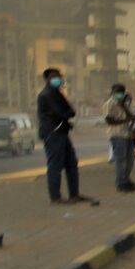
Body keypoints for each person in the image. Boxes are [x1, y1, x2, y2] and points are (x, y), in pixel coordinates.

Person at [37, 68, 93, 205]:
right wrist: (65, 114)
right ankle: (55, 198)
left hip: (61, 132)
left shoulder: (57, 93)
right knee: (55, 165)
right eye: (54, 76)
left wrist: (65, 114)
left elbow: (71, 111)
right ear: (48, 79)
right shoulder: (46, 95)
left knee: (71, 163)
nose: (58, 78)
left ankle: (74, 194)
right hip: (53, 133)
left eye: (59, 76)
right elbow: (60, 113)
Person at [102, 84, 135, 192]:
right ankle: (121, 182)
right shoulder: (109, 104)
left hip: (127, 134)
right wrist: (126, 120)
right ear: (113, 92)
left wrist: (123, 106)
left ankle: (126, 180)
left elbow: (131, 116)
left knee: (130, 158)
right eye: (118, 91)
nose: (120, 94)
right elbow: (109, 120)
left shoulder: (125, 104)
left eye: (122, 92)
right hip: (117, 134)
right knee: (121, 159)